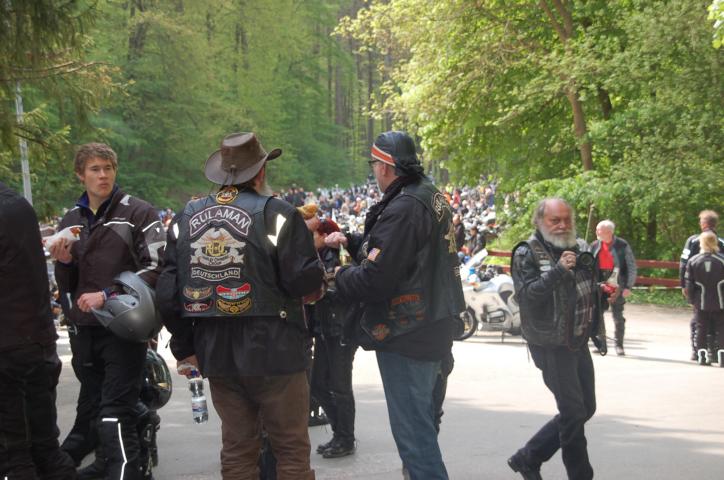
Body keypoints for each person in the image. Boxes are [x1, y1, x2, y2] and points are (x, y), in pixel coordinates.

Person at [157, 132, 324, 480]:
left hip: (217, 350)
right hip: (277, 349)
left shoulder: (186, 218)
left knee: (236, 450)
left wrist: (185, 347)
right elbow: (302, 281)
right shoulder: (278, 214)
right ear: (261, 172)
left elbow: (168, 292)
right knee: (291, 449)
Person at [325, 131, 465, 480]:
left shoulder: (404, 207)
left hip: (408, 333)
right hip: (434, 326)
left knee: (416, 443)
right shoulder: (428, 193)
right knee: (423, 432)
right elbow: (405, 253)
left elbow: (376, 280)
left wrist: (338, 275)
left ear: (386, 166)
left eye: (374, 164)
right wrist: (353, 241)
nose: (373, 170)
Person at [49, 143, 166, 480]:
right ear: (80, 175)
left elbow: (158, 266)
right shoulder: (71, 220)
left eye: (108, 168)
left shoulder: (139, 212)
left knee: (115, 411)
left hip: (124, 326)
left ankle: (126, 471)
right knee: (99, 408)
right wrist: (65, 262)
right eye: (95, 169)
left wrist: (108, 294)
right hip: (84, 330)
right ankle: (112, 460)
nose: (103, 175)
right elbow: (68, 285)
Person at [508, 198, 598, 480]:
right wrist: (559, 270)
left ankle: (528, 457)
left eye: (566, 219)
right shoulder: (526, 252)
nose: (562, 225)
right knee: (573, 412)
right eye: (555, 220)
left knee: (586, 407)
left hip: (576, 340)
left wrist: (603, 292)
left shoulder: (579, 247)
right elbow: (527, 297)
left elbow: (583, 291)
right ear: (539, 221)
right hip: (550, 344)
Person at [0, 181, 77, 480]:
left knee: (15, 455)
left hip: (9, 346)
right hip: (36, 339)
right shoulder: (18, 204)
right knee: (45, 447)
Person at [308, 218, 358, 458]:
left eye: (313, 235)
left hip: (341, 328)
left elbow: (346, 288)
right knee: (318, 384)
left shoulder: (339, 254)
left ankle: (345, 438)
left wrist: (317, 291)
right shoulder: (316, 255)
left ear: (324, 234)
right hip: (324, 327)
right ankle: (340, 433)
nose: (309, 240)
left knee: (340, 386)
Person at [679, 210, 724, 360]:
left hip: (698, 288)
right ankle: (715, 351)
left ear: (703, 223)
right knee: (718, 323)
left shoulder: (693, 241)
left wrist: (684, 285)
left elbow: (683, 263)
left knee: (698, 321)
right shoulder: (722, 242)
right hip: (719, 291)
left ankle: (698, 352)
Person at [590, 220, 637, 356]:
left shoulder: (622, 245)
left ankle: (619, 345)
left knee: (618, 316)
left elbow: (631, 265)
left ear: (608, 232)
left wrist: (628, 286)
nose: (597, 232)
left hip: (617, 283)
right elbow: (588, 266)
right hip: (600, 283)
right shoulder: (594, 245)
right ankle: (601, 344)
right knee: (598, 315)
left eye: (599, 230)